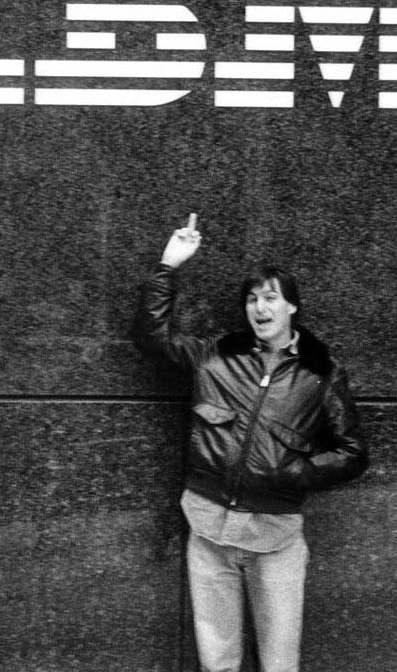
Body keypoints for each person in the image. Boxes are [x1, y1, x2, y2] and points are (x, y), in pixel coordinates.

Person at [134, 214, 369, 672]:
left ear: (291, 307)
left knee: (280, 665)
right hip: (209, 531)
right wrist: (169, 265)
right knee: (218, 664)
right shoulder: (216, 356)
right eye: (252, 299)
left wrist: (294, 472)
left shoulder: (320, 373)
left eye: (270, 298)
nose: (259, 308)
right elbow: (152, 338)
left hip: (275, 538)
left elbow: (353, 453)